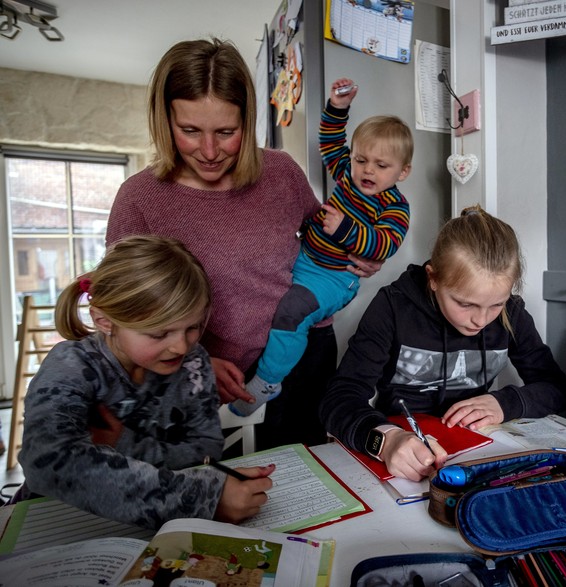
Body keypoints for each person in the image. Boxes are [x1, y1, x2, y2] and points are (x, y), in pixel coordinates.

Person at [106, 38, 382, 448]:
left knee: (306, 489)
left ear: (247, 120)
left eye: (226, 132)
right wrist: (192, 362)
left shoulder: (280, 173)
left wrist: (363, 251)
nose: (210, 151)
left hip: (303, 358)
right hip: (201, 373)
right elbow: (124, 314)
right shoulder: (140, 199)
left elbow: (321, 236)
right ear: (165, 121)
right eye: (190, 131)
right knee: (219, 496)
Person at [16, 236, 274, 529]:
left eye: (192, 327)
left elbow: (205, 450)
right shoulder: (70, 367)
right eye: (159, 334)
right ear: (104, 321)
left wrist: (121, 443)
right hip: (50, 521)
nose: (180, 347)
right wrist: (202, 498)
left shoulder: (193, 361)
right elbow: (47, 464)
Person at [320, 205, 566, 481]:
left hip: (475, 452)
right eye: (465, 303)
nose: (481, 320)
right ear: (433, 278)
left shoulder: (512, 312)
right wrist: (386, 440)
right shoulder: (393, 306)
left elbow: (557, 388)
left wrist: (506, 403)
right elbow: (338, 399)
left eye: (496, 305)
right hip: (404, 450)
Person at [230, 77, 412, 416]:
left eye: (381, 166)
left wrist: (344, 228)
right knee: (269, 298)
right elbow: (330, 142)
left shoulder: (394, 206)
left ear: (403, 172)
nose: (367, 170)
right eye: (361, 160)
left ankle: (268, 381)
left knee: (292, 312)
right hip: (306, 257)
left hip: (334, 278)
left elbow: (383, 244)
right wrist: (338, 107)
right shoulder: (346, 175)